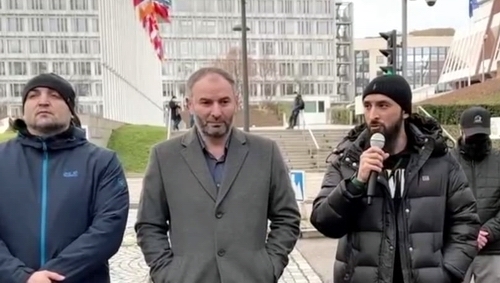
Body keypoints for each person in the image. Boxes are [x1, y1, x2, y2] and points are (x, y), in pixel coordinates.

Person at [135, 67, 301, 283]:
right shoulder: (164, 156)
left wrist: (269, 266)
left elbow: (287, 218)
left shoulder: (265, 152)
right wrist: (167, 273)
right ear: (189, 105)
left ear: (237, 102)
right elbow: (149, 224)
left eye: (224, 102)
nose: (216, 112)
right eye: (206, 103)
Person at [309, 74, 480, 283]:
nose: (373, 115)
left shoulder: (439, 161)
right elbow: (324, 222)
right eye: (368, 106)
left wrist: (448, 272)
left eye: (383, 105)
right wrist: (356, 183)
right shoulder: (347, 161)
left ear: (405, 111)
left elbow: (466, 223)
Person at [0, 73, 129, 283]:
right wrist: (22, 277)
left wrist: (51, 277)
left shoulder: (102, 162)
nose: (43, 101)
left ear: (71, 110)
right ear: (23, 108)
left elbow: (108, 229)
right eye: (33, 95)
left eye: (54, 95)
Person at [452, 107, 500, 283]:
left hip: (493, 250)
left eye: (481, 135)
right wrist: (467, 233)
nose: (476, 140)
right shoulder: (447, 162)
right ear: (461, 131)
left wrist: (487, 232)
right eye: (472, 135)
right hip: (456, 248)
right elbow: (439, 204)